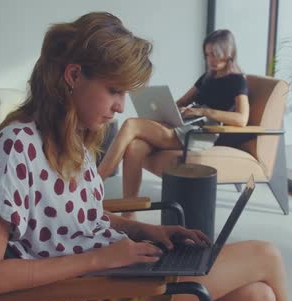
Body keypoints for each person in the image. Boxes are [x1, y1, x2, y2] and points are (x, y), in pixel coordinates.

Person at [0, 12, 292, 301]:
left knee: (259, 299)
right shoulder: (17, 146)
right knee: (265, 254)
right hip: (90, 294)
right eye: (114, 91)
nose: (121, 106)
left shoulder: (73, 137)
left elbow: (85, 217)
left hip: (117, 271)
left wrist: (145, 232)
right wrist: (101, 259)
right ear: (73, 76)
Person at [97, 29, 252, 216]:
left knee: (131, 124)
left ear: (228, 52)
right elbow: (181, 102)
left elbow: (242, 119)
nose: (210, 59)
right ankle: (129, 213)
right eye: (207, 54)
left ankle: (95, 184)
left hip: (203, 133)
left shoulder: (237, 81)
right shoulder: (207, 77)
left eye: (214, 54)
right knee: (135, 147)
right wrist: (170, 109)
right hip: (186, 125)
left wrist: (203, 111)